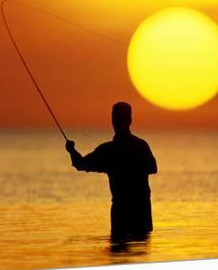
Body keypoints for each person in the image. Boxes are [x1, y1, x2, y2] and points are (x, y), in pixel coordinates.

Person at [65, 102, 157, 239]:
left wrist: (72, 150)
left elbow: (80, 164)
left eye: (117, 118)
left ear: (113, 121)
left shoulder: (108, 151)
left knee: (118, 254)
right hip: (141, 211)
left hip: (122, 213)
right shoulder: (141, 146)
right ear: (130, 120)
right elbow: (152, 168)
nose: (117, 121)